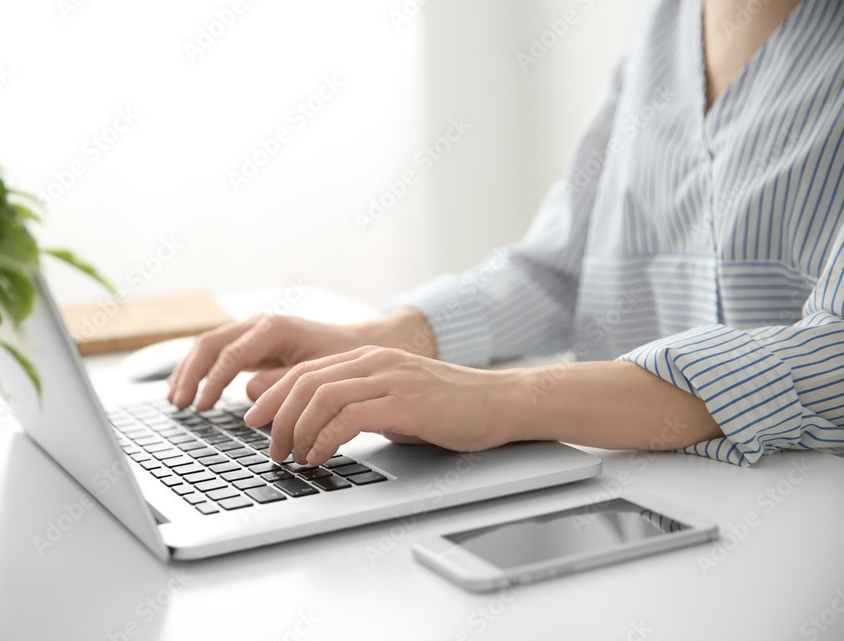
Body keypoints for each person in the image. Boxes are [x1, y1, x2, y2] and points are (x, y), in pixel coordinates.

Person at [168, 0, 844, 469]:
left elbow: (831, 356)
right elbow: (557, 270)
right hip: (635, 502)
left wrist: (507, 400)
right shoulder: (663, 32)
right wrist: (380, 335)